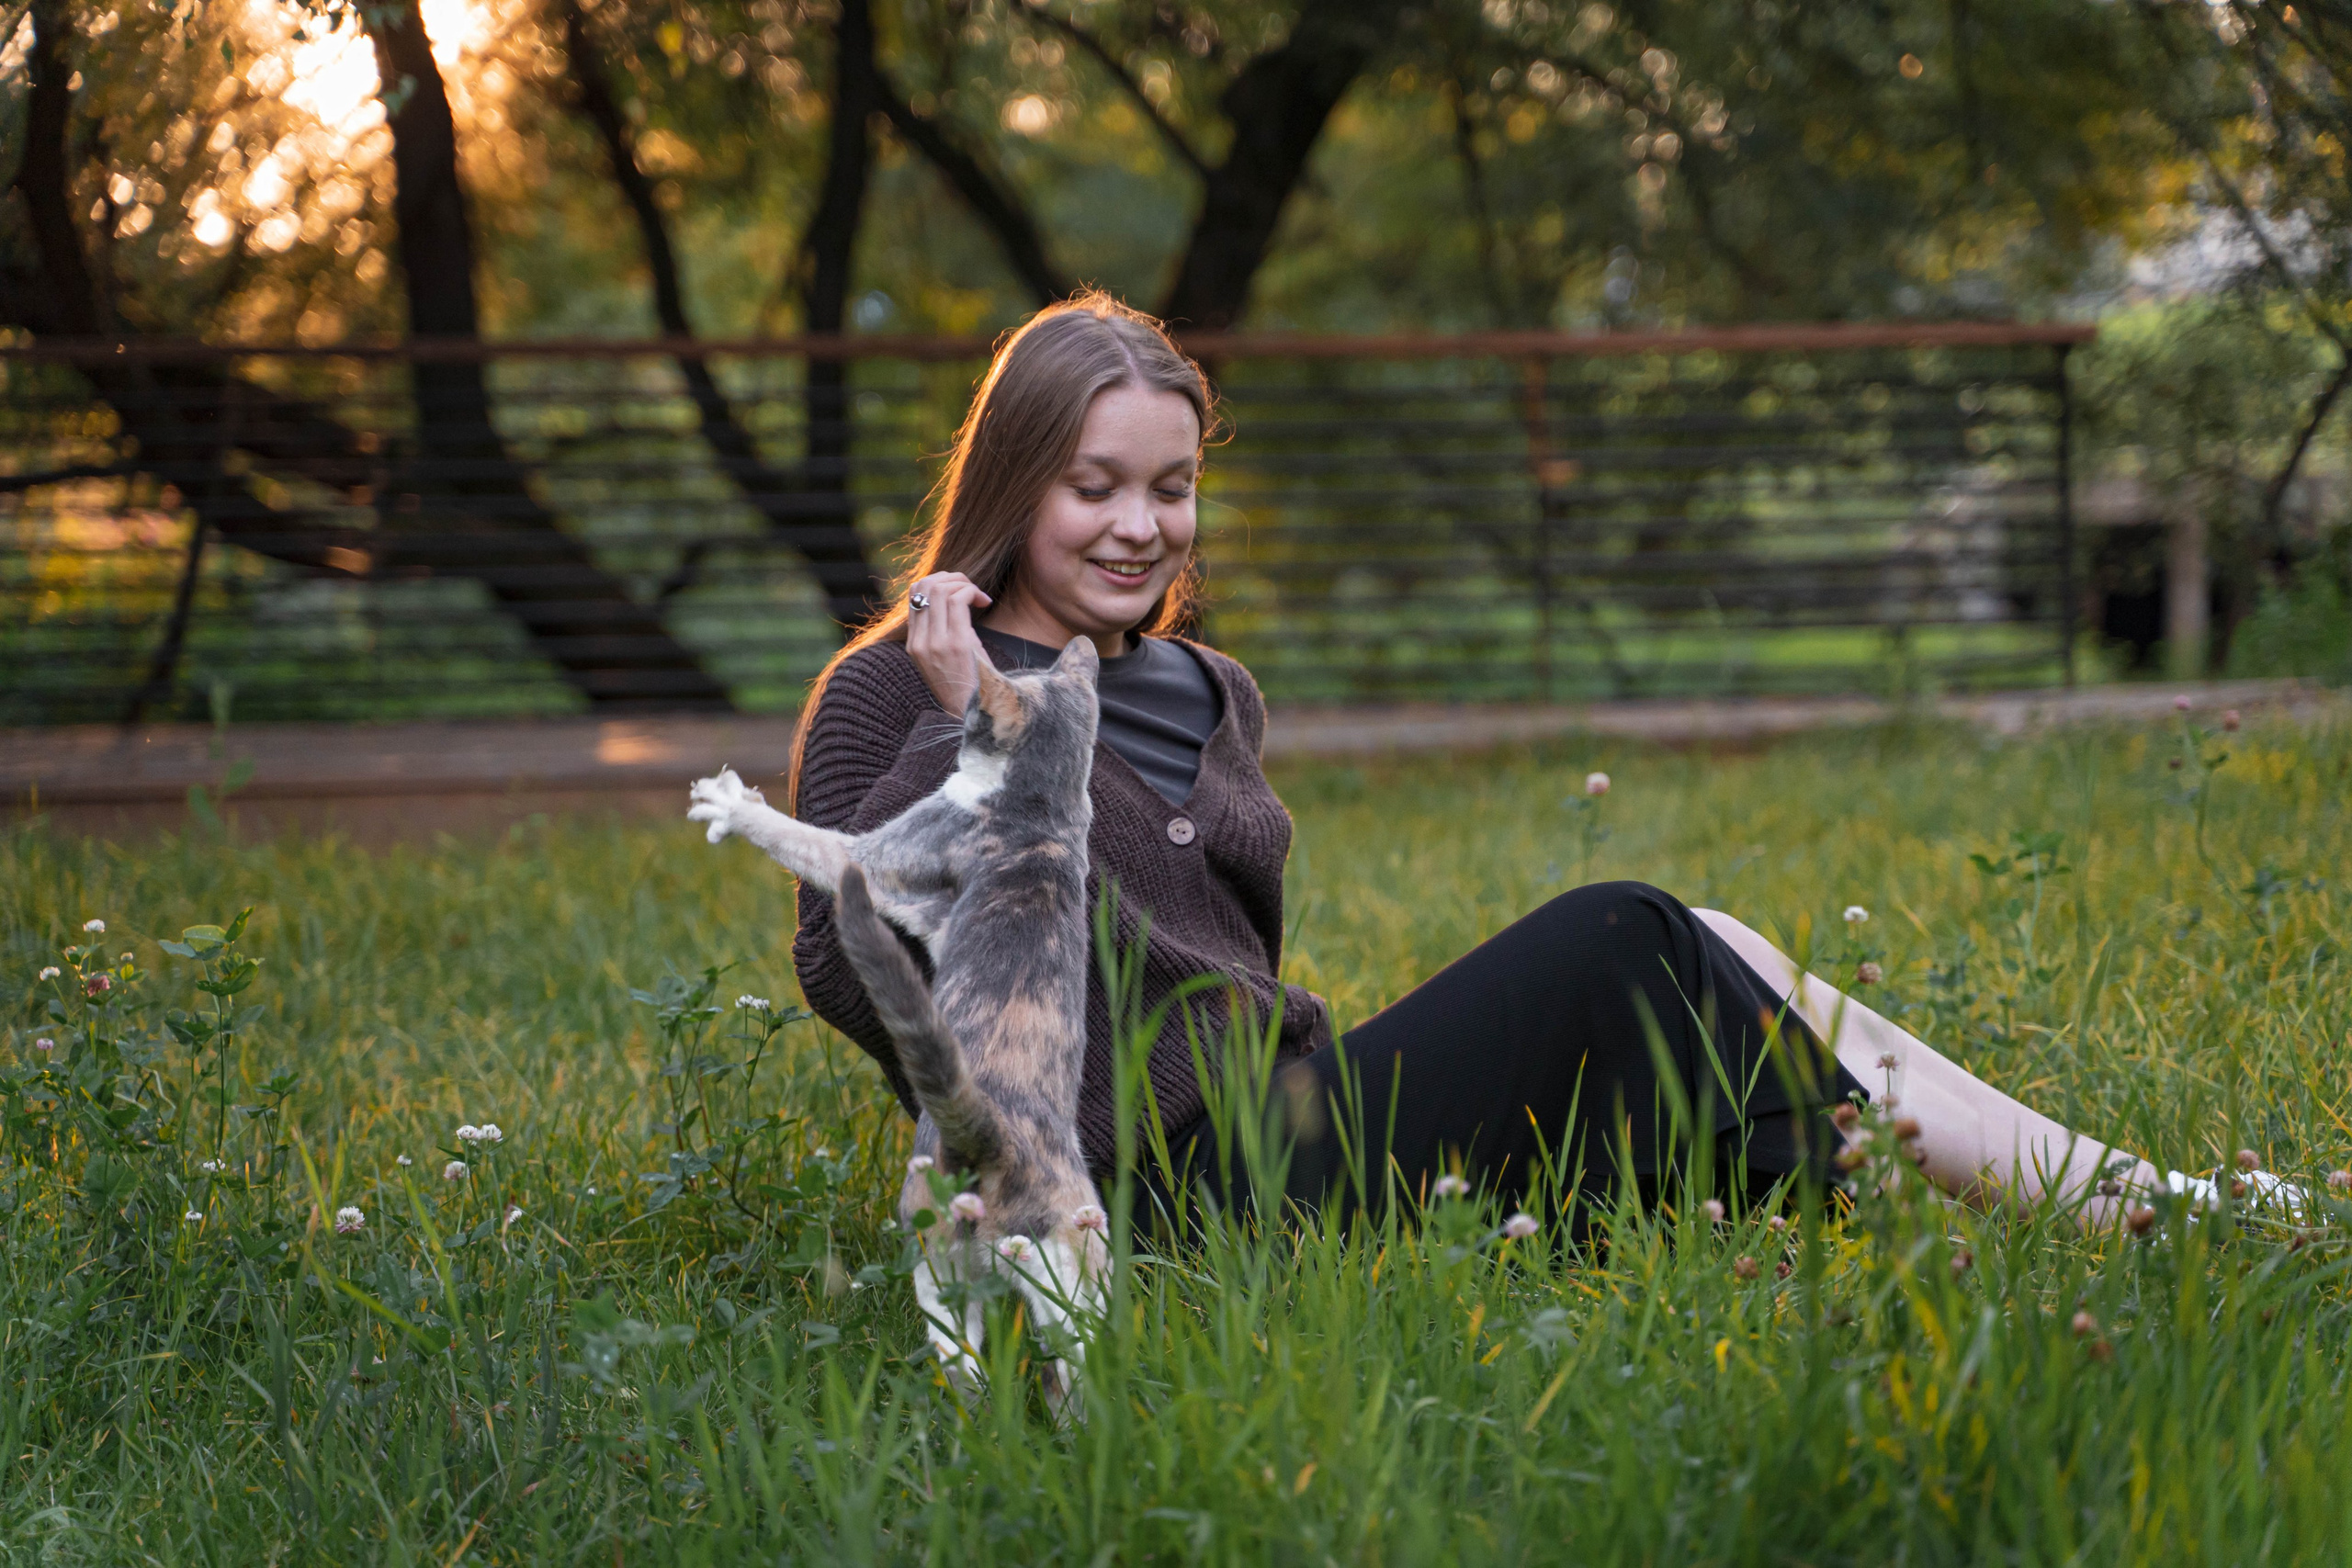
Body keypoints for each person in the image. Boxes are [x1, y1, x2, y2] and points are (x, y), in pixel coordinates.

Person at [786, 292, 2261, 1235]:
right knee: (1624, 935)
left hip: (1291, 1129)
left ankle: (2140, 1196)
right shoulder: (892, 690)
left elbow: (1225, 978)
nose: (1139, 527)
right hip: (1143, 1204)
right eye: (1092, 486)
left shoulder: (1206, 686)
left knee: (1706, 976)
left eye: (1171, 488)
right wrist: (975, 728)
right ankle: (2117, 1212)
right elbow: (857, 977)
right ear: (1017, 483)